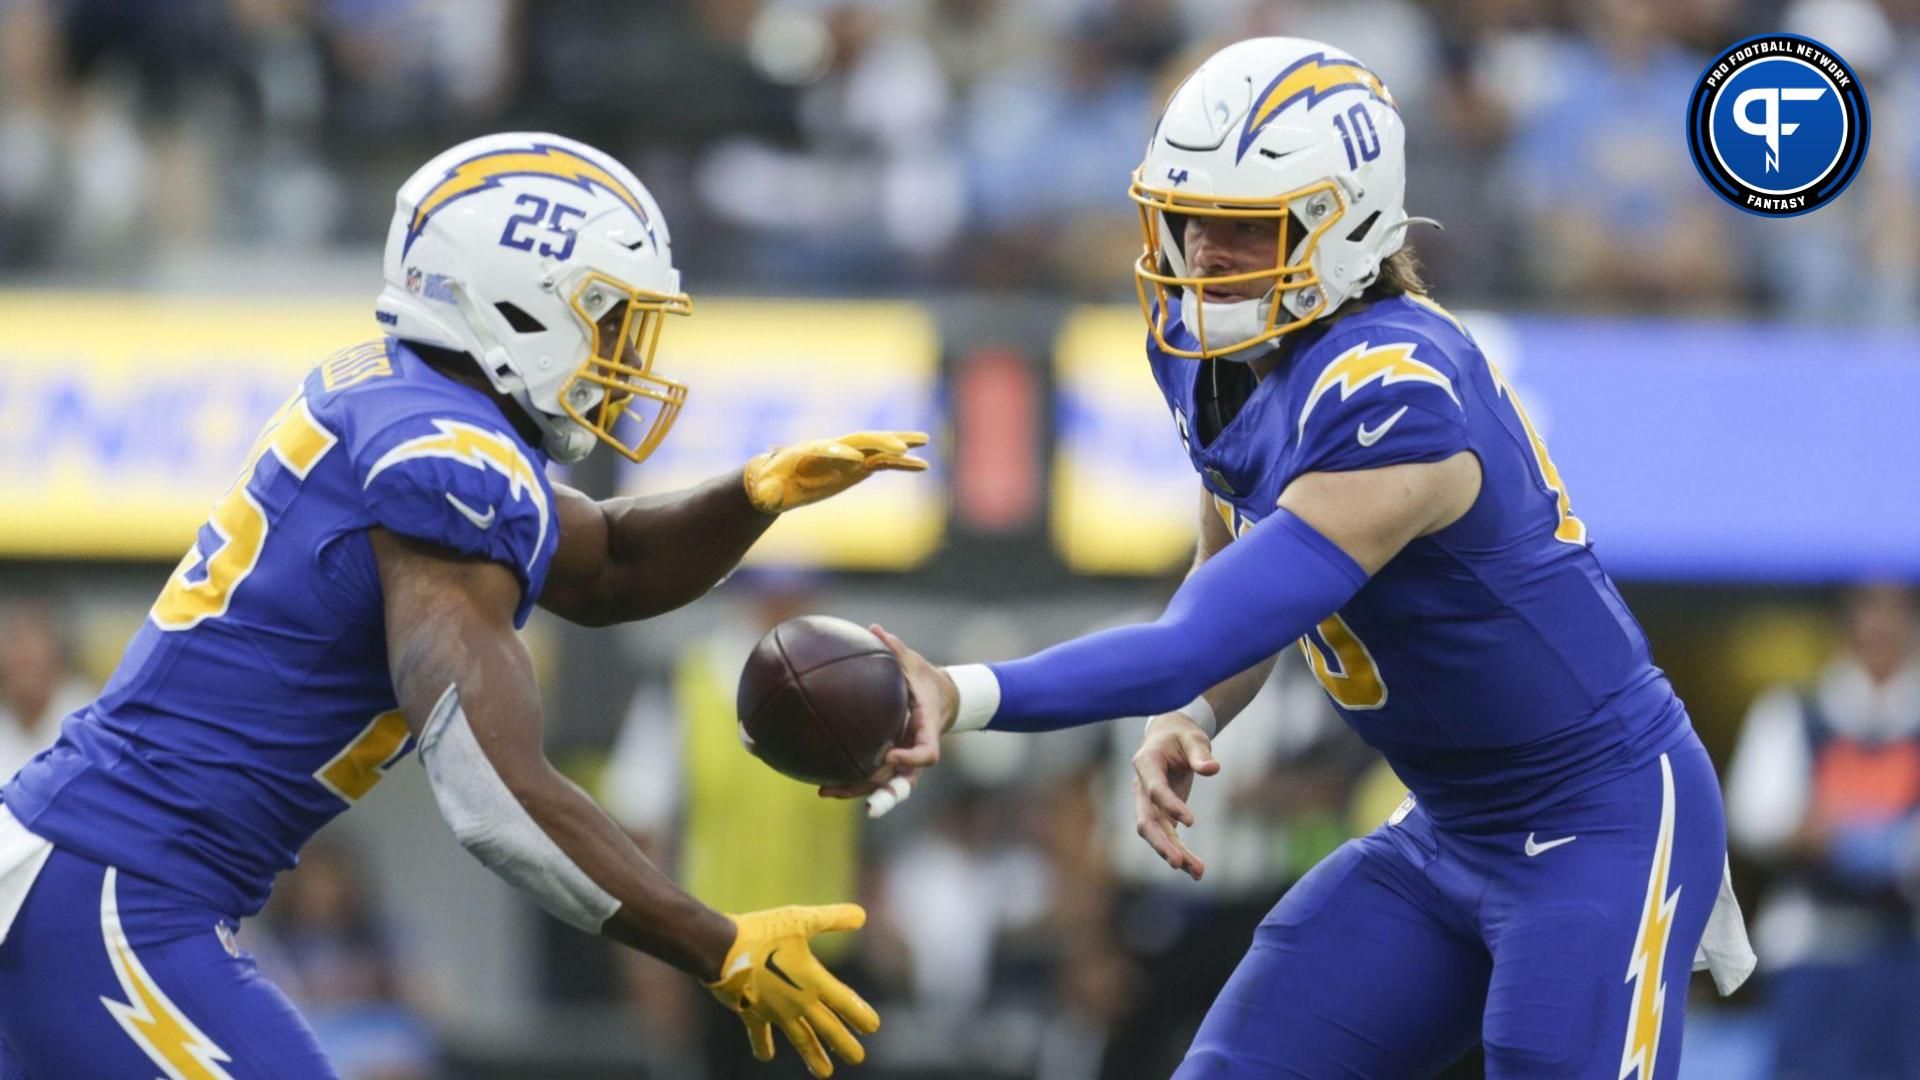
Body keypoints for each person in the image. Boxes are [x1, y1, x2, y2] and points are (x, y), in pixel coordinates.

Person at [840, 38, 1753, 1078]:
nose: (1202, 255)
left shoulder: (1399, 398)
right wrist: (1193, 718)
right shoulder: (1215, 349)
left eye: (1241, 228)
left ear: (1343, 225)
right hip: (1448, 823)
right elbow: (1227, 560)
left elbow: (1190, 642)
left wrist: (957, 694)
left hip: (1598, 818)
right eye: (1188, 222)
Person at [0, 132, 921, 1079]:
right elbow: (491, 789)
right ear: (515, 303)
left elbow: (609, 568)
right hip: (121, 892)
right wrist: (714, 941)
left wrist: (753, 495)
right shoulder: (446, 462)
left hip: (96, 874)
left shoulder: (407, 405)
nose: (621, 356)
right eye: (607, 320)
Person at [1725, 583, 1920, 1077]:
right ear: (1846, 624)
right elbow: (1753, 816)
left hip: (1905, 948)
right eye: (1869, 610)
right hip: (1813, 942)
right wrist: (1814, 832)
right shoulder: (1796, 710)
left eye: (1895, 612)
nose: (1881, 626)